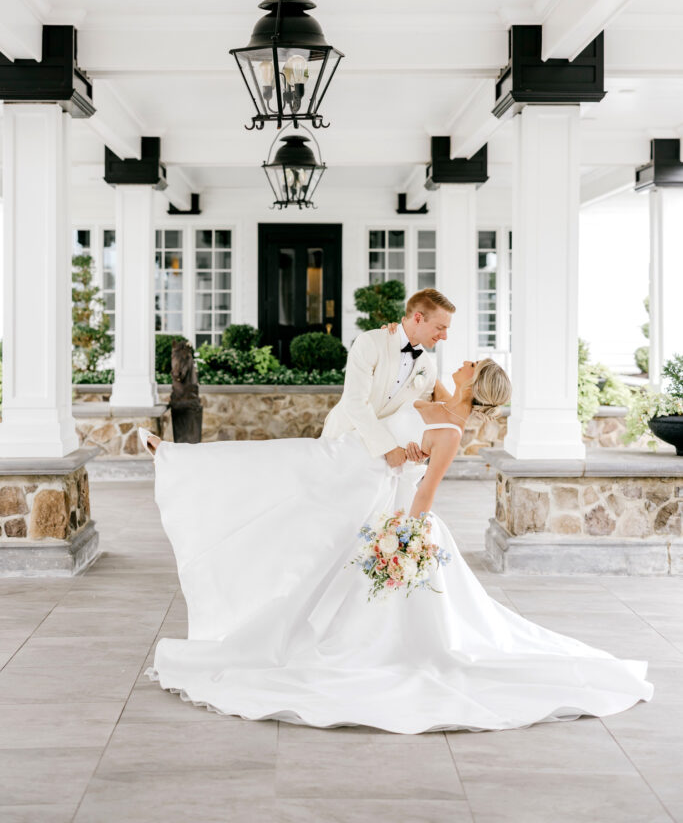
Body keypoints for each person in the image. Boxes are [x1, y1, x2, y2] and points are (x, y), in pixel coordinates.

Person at [140, 290, 653, 733]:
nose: (449, 343)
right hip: (348, 454)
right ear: (417, 319)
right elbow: (388, 409)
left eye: (462, 351)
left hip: (376, 485)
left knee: (307, 532)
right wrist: (399, 444)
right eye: (442, 328)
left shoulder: (440, 389)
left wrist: (408, 521)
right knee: (275, 475)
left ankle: (298, 615)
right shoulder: (385, 351)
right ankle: (178, 460)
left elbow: (446, 433)